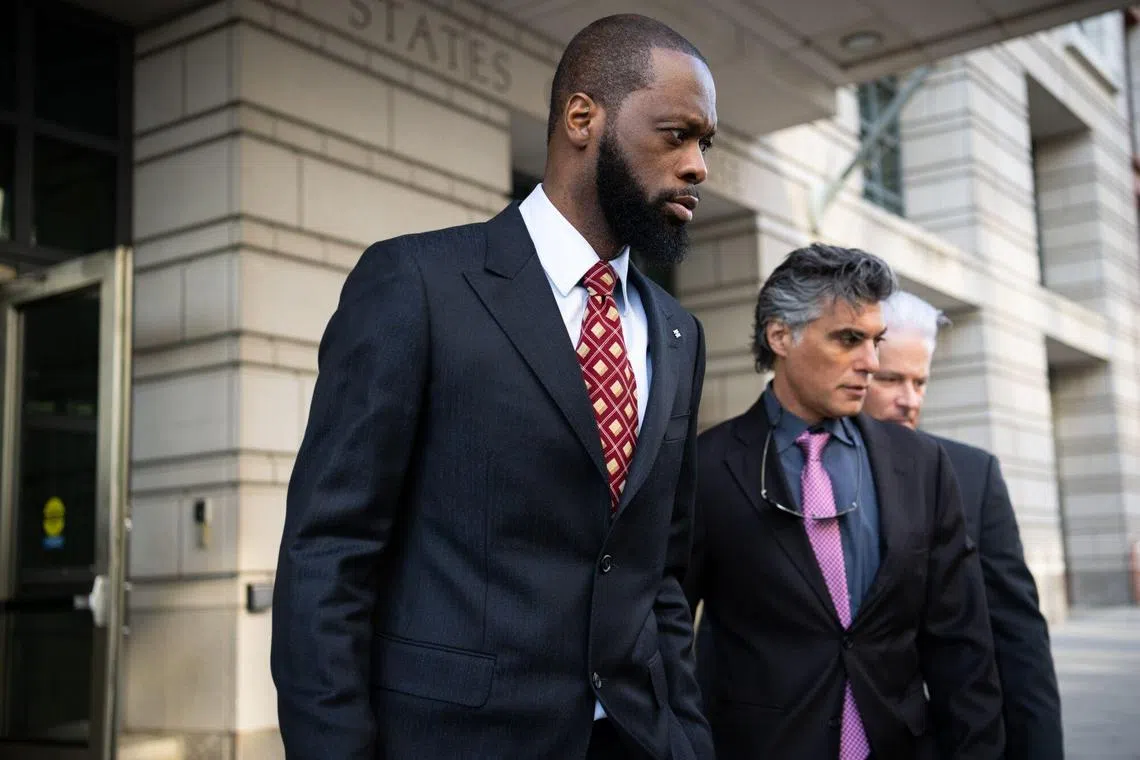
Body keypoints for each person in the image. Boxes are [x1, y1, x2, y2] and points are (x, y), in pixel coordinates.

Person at [270, 13, 717, 760]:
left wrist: (689, 741)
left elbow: (660, 574)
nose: (700, 165)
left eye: (707, 143)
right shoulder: (416, 283)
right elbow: (329, 553)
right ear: (583, 118)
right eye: (678, 134)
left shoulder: (679, 332)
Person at [685, 243, 1004, 760]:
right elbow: (665, 630)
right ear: (781, 335)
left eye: (875, 341)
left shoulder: (921, 465)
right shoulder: (708, 466)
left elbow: (963, 647)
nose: (871, 363)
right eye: (849, 339)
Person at [864, 290, 1063, 760]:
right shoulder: (804, 466)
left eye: (920, 382)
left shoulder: (974, 475)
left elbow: (1020, 646)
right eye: (890, 379)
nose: (908, 400)